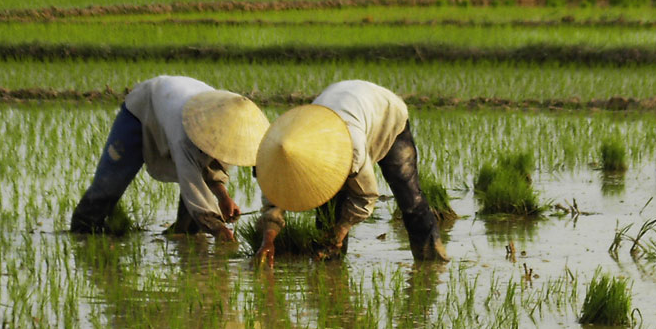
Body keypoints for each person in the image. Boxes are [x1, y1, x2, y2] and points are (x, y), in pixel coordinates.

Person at [252, 80, 449, 265]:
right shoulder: (281, 151)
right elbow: (274, 201)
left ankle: (431, 261)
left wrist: (341, 230)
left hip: (386, 113)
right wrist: (268, 241)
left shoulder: (350, 148)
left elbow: (367, 196)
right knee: (328, 209)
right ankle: (332, 272)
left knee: (409, 197)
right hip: (341, 104)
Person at [71, 75, 269, 242]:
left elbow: (209, 165)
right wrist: (217, 227)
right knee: (109, 184)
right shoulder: (188, 132)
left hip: (177, 100)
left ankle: (183, 234)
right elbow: (192, 180)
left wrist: (223, 198)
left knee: (193, 227)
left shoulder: (233, 123)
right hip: (144, 108)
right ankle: (81, 233)